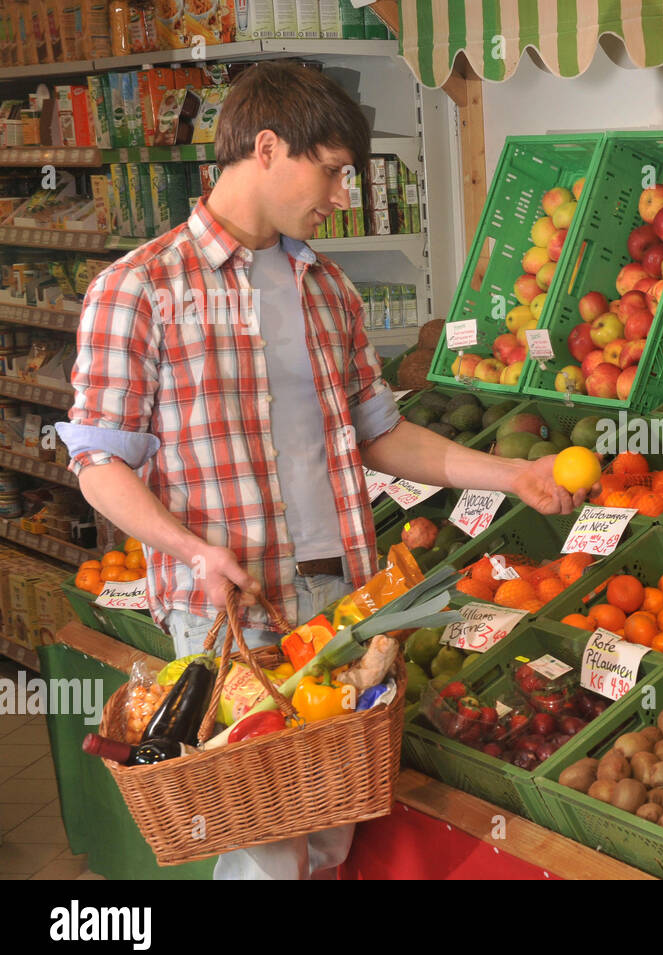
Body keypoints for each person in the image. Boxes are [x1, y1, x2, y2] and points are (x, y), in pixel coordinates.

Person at [57, 62, 582, 879]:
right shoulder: (139, 289)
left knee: (336, 823)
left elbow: (380, 433)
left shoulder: (326, 290)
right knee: (266, 843)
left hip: (342, 599)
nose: (341, 194)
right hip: (232, 604)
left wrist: (509, 476)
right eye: (333, 170)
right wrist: (193, 550)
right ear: (267, 148)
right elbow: (99, 464)